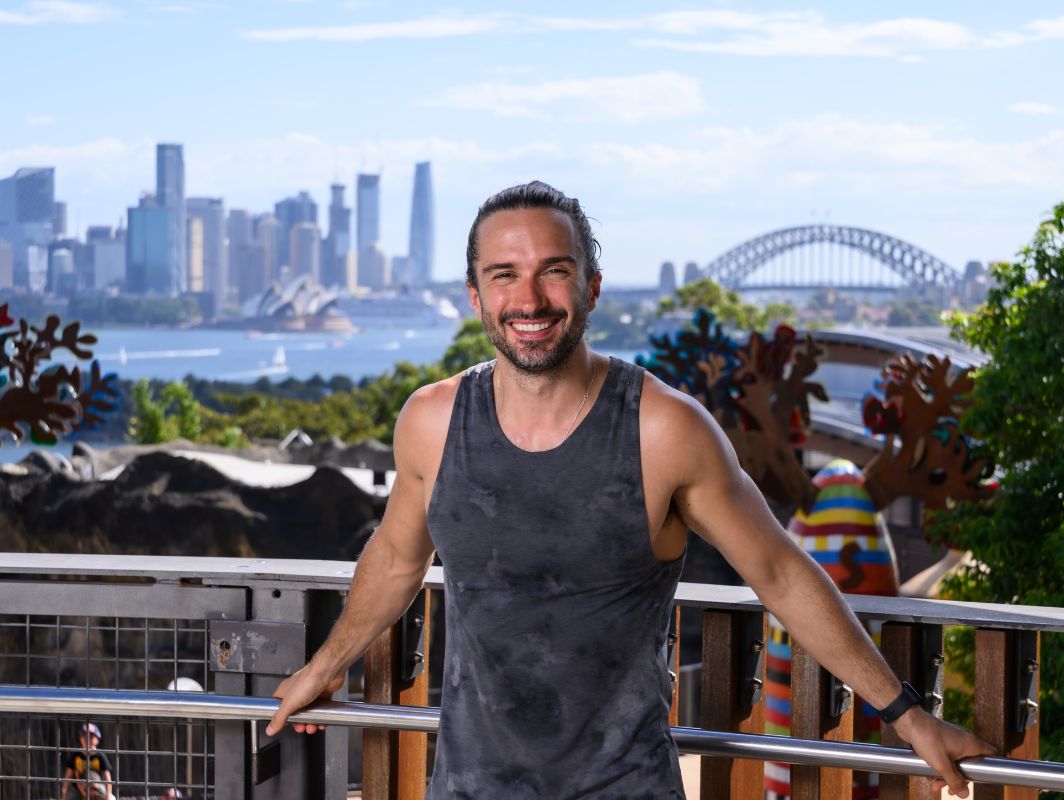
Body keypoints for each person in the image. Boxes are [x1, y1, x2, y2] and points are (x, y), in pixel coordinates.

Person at [268, 181, 996, 798]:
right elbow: (397, 560)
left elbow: (779, 573)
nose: (530, 297)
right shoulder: (431, 421)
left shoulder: (665, 430)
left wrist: (909, 716)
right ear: (474, 296)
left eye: (554, 271)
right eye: (504, 274)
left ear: (590, 287)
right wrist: (322, 669)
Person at [61, 722, 113, 800]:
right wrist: (64, 794)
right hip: (78, 789)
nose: (87, 738)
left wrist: (108, 794)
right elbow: (67, 778)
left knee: (111, 798)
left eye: (91, 736)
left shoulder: (100, 756)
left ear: (98, 739)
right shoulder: (76, 755)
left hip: (97, 787)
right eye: (84, 735)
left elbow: (107, 778)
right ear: (80, 738)